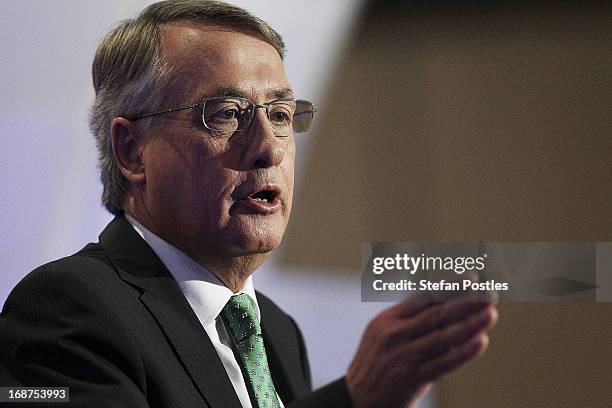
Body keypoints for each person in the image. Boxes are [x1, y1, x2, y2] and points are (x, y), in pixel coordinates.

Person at [0, 1, 498, 407]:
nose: (268, 146)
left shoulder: (276, 332)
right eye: (226, 114)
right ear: (132, 151)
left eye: (281, 114)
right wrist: (352, 400)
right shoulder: (67, 307)